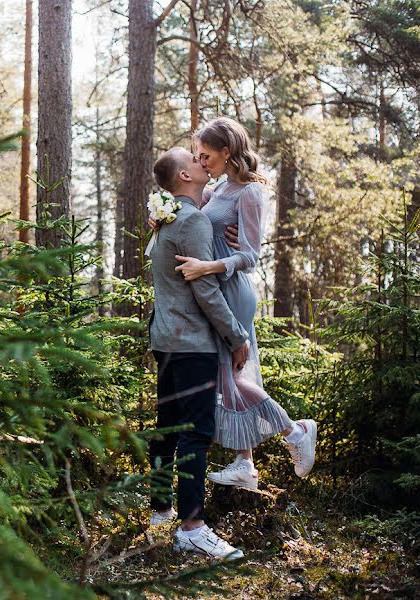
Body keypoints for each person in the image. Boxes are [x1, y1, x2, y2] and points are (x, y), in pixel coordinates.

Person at [170, 117, 317, 490]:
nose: (201, 162)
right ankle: (245, 464)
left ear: (227, 151)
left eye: (206, 155)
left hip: (232, 288)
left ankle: (295, 430)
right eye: (198, 156)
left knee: (233, 374)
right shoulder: (217, 189)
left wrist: (210, 264)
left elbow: (251, 254)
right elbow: (194, 218)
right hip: (214, 287)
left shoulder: (250, 192)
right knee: (230, 374)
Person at [147, 145, 249, 560]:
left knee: (167, 426)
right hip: (191, 343)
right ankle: (192, 527)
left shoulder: (165, 220)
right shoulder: (191, 221)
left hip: (165, 338)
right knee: (195, 432)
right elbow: (205, 289)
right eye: (193, 159)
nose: (200, 161)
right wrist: (236, 336)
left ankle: (160, 509)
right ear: (185, 177)